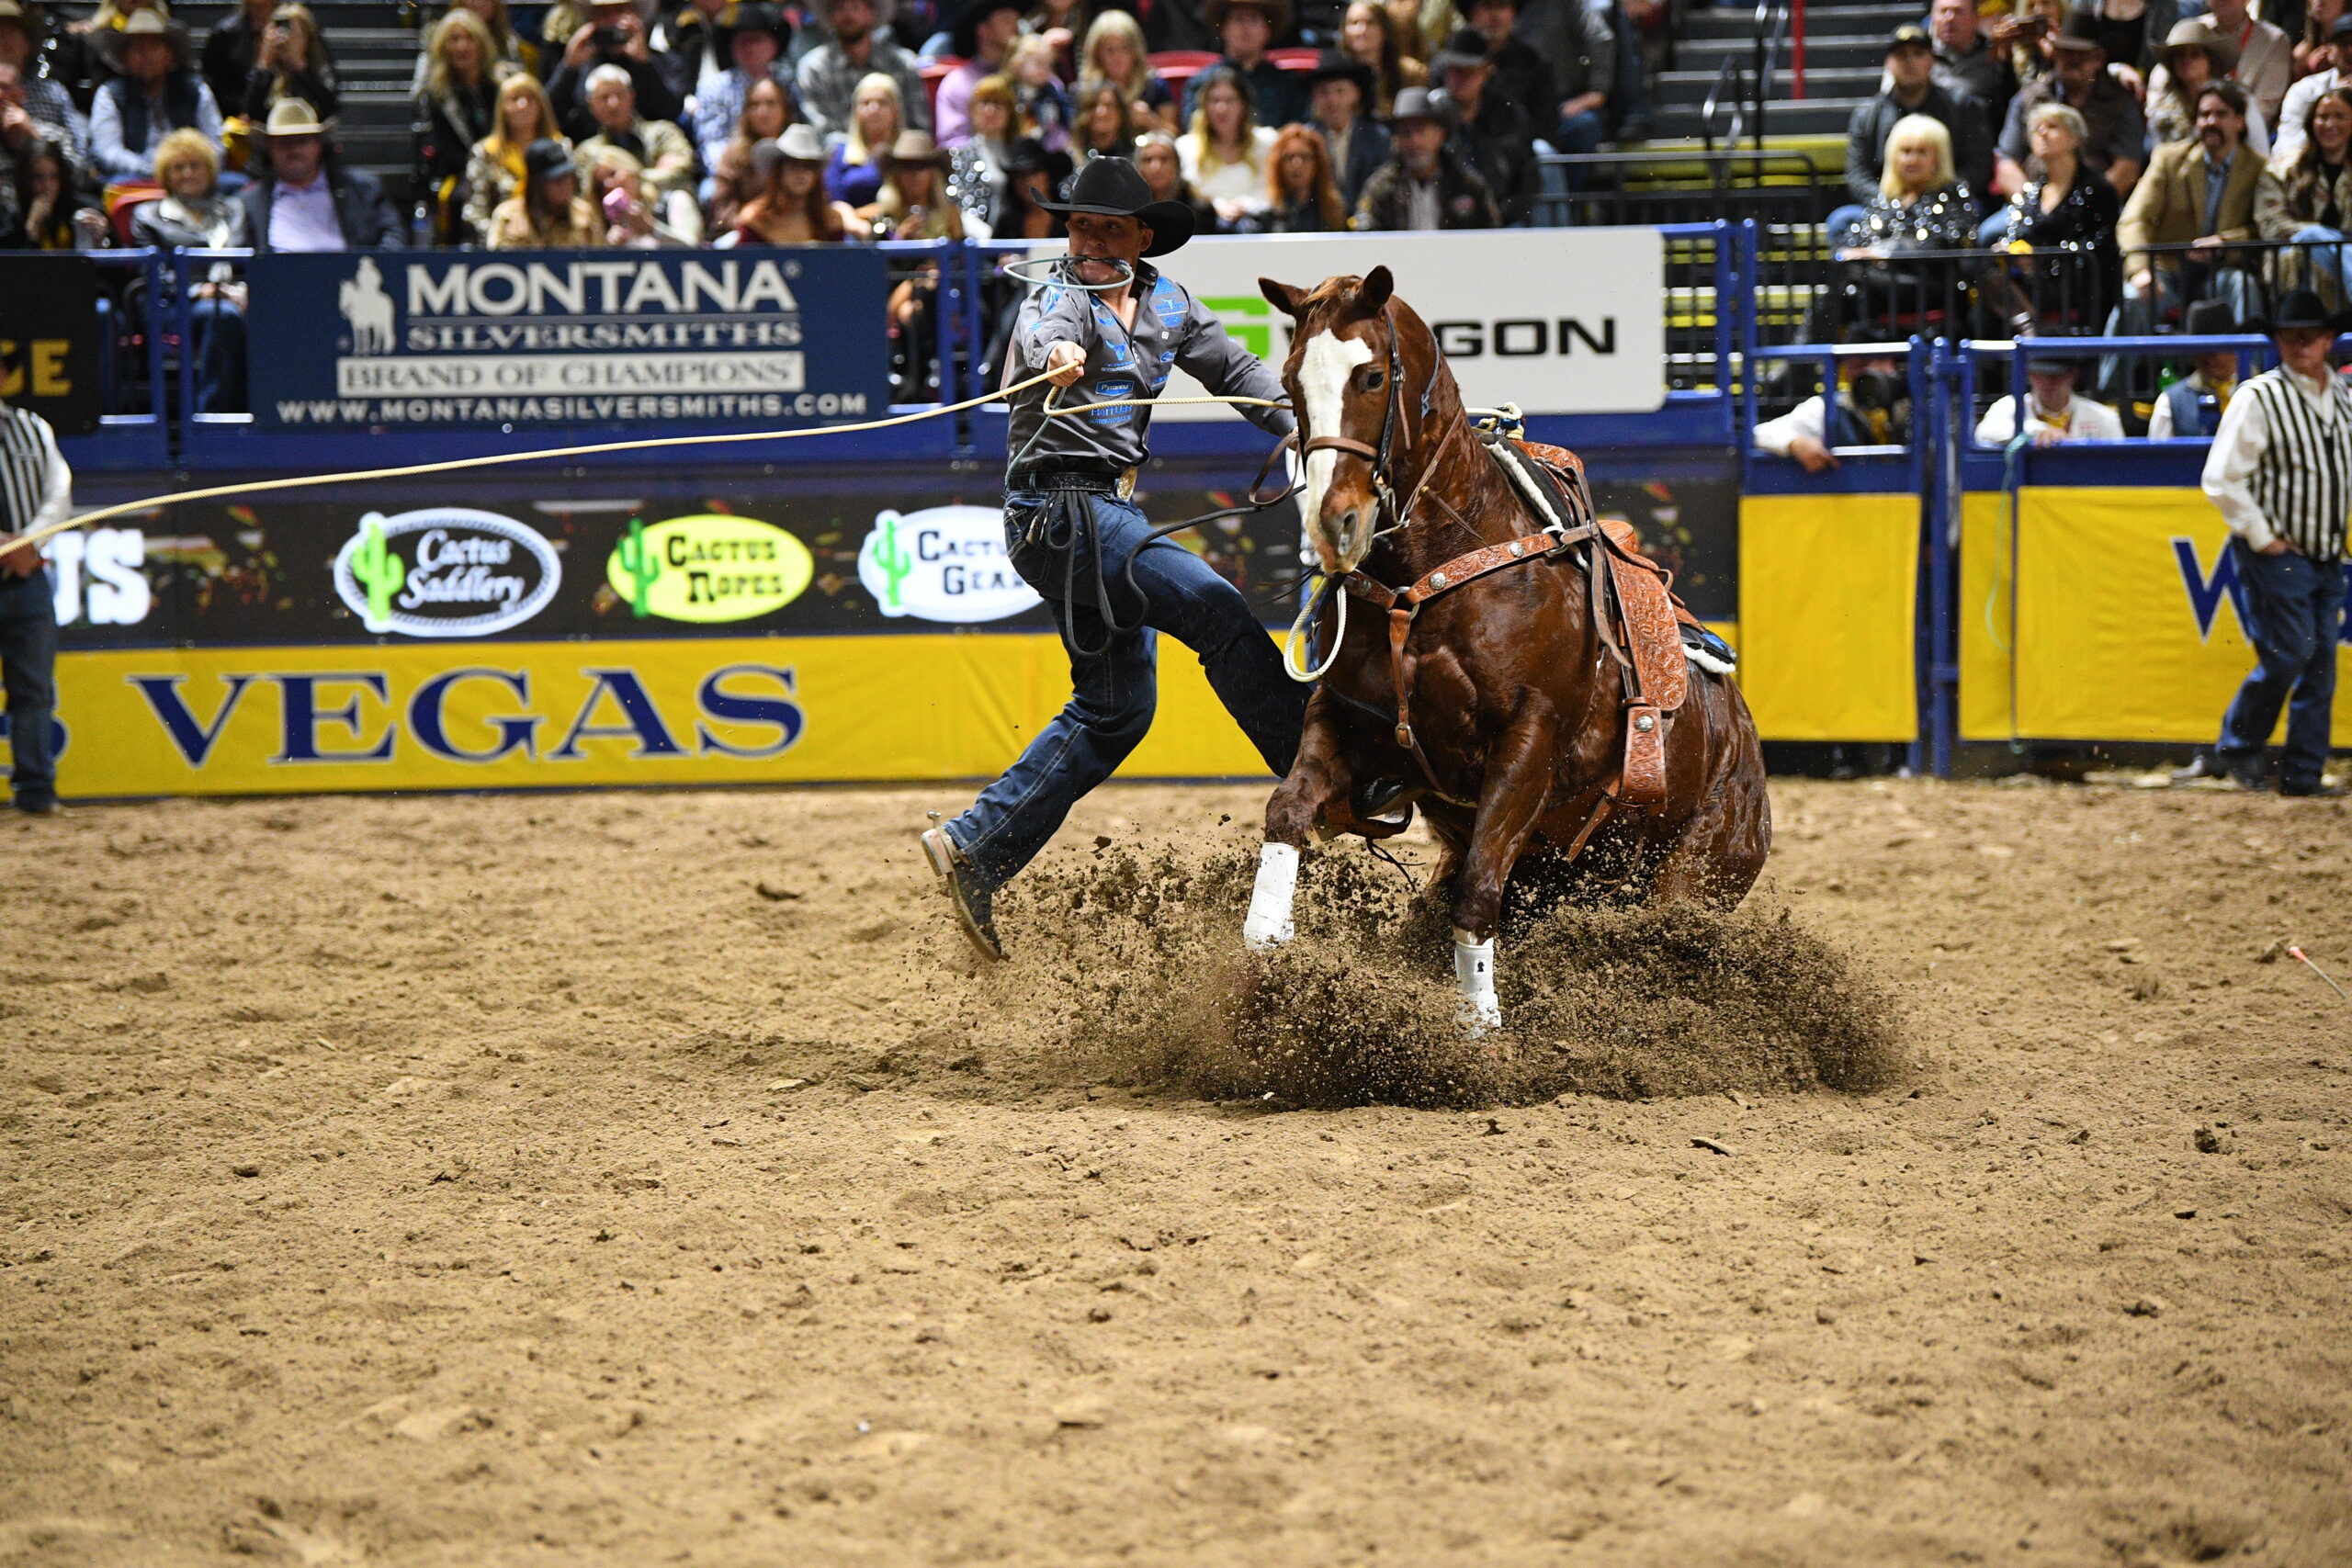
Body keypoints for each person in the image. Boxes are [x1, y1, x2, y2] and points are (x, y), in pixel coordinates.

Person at [918, 154, 1303, 961]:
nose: (1091, 239)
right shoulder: (1055, 297)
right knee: (1216, 608)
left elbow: (1235, 371)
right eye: (1081, 224)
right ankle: (1312, 769)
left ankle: (976, 846)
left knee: (1117, 706)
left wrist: (1300, 427)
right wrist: (1060, 360)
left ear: (1143, 236)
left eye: (1110, 228)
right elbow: (1048, 334)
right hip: (1059, 511)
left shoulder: (1171, 303)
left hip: (1093, 517)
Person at [2172, 288, 2350, 795]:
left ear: (2327, 340)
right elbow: (2220, 478)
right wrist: (2264, 536)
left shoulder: (2341, 396)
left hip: (2325, 552)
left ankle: (2301, 773)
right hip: (2279, 554)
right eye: (2289, 337)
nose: (2298, 345)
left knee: (2317, 666)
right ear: (2276, 341)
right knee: (2293, 654)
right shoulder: (2259, 396)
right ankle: (2238, 747)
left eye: (2308, 336)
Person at [2117, 81, 2263, 333]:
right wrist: (2140, 270)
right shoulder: (2169, 159)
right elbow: (2134, 220)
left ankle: (2254, 371)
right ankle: (2110, 375)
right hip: (2169, 270)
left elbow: (2262, 228)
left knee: (2244, 287)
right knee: (2132, 298)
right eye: (2204, 114)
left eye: (2221, 114)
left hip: (2222, 271)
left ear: (2240, 121)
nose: (2210, 122)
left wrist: (2224, 242)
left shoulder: (2258, 167)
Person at [131, 128, 248, 412]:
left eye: (195, 165)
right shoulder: (149, 216)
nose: (187, 173)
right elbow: (151, 277)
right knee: (222, 315)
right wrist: (200, 292)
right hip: (174, 303)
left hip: (233, 296)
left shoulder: (233, 210)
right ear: (165, 175)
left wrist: (243, 291)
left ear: (210, 170)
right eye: (178, 167)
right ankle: (211, 414)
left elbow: (248, 262)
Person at [1836, 25, 1991, 239]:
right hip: (1886, 204)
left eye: (1918, 54)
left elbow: (1979, 166)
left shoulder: (1962, 107)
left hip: (1949, 204)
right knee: (1841, 221)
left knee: (1977, 218)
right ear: (1888, 63)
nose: (1909, 62)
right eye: (1901, 55)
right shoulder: (1867, 115)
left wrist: (1935, 198)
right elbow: (1857, 174)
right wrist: (1890, 201)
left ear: (1932, 61)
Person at [1980, 100, 2120, 333]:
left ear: (2075, 139)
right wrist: (2013, 251)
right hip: (2033, 281)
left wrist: (2044, 259)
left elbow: (2099, 245)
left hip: (2075, 281)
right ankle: (2032, 328)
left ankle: (2033, 329)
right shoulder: (2033, 192)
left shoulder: (2097, 189)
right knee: (1986, 271)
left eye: (2052, 126)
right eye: (2037, 128)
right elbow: (2020, 234)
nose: (2042, 132)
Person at [1996, 10, 2144, 200]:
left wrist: (2090, 205)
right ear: (2054, 54)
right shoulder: (2028, 97)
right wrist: (2031, 205)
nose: (2073, 60)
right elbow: (2007, 163)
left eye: (2082, 54)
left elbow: (2127, 168)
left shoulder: (2120, 100)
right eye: (2066, 52)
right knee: (1990, 231)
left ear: (2098, 59)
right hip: (2035, 199)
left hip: (2096, 204)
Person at [0, 394, 65, 817]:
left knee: (34, 689)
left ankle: (36, 792)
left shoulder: (34, 428)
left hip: (27, 577)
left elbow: (58, 495)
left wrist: (26, 543)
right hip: (24, 568)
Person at [237, 96, 403, 250]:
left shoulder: (363, 190)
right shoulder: (250, 203)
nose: (294, 149)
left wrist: (373, 270)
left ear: (319, 145)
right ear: (269, 148)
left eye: (302, 141)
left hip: (350, 278)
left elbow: (394, 236)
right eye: (284, 142)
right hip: (275, 280)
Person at [89, 10, 220, 182]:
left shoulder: (195, 89)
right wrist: (154, 170)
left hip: (193, 175)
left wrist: (191, 168)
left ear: (169, 55)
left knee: (236, 185)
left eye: (154, 47)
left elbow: (215, 144)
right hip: (137, 177)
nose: (146, 56)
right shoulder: (110, 94)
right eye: (138, 49)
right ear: (125, 58)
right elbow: (108, 151)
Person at [413, 7, 503, 236]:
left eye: (469, 38)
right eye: (454, 39)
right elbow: (441, 147)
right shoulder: (437, 95)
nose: (462, 46)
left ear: (481, 44)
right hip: (458, 173)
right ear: (444, 46)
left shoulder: (500, 86)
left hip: (503, 164)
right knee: (459, 196)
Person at [1355, 83, 1495, 227]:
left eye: (1421, 130)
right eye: (1405, 132)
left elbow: (1492, 233)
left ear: (1440, 135)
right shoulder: (1382, 187)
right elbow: (1365, 231)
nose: (1414, 140)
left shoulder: (1467, 185)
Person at [2258, 85, 2352, 300]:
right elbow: (2271, 223)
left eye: (2340, 116)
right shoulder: (2283, 169)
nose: (2330, 124)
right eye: (2322, 117)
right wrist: (2318, 235)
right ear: (2311, 122)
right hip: (2293, 256)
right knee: (2313, 238)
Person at [1429, 26, 1529, 222]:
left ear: (1487, 71)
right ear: (1446, 71)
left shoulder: (1509, 116)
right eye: (1456, 71)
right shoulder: (1433, 114)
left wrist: (1503, 216)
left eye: (1470, 71)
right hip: (1444, 218)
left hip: (1502, 215)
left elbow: (1524, 178)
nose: (1462, 79)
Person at [548, 0, 684, 142]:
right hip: (591, 154)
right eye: (603, 14)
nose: (612, 20)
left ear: (638, 16)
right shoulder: (579, 63)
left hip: (650, 151)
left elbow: (672, 111)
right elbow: (549, 116)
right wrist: (569, 67)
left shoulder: (665, 60)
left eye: (620, 11)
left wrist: (644, 64)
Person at [1751, 353, 1908, 472]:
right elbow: (1760, 433)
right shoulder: (1828, 407)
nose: (1868, 372)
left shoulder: (1911, 404)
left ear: (1891, 364)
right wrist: (1795, 443)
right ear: (1846, 369)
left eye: (1878, 362)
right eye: (1859, 365)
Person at [797, 0, 929, 140]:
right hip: (839, 157)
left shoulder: (904, 64)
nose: (848, 15)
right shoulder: (814, 68)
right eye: (839, 8)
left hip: (898, 157)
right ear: (830, 16)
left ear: (871, 13)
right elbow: (822, 131)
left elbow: (919, 128)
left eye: (855, 7)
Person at [689, 3, 795, 172]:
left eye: (756, 40)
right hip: (732, 168)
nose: (749, 47)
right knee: (709, 193)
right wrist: (728, 171)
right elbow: (711, 141)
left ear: (774, 46)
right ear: (732, 48)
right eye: (742, 41)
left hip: (784, 168)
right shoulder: (713, 87)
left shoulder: (789, 83)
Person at [571, 62, 695, 200]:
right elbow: (587, 197)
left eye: (619, 94)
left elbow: (682, 173)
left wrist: (631, 178)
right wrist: (654, 174)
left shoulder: (663, 133)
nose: (613, 104)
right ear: (591, 104)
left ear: (631, 96)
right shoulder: (586, 153)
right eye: (604, 97)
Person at [461, 69, 559, 241]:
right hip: (503, 244)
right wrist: (501, 236)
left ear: (542, 106)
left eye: (530, 99)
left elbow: (573, 205)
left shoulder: (558, 149)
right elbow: (475, 212)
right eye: (514, 99)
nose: (523, 105)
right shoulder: (486, 153)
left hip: (555, 243)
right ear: (502, 108)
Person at [2146, 19, 2268, 156]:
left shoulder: (2239, 98)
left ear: (2210, 60)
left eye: (2195, 54)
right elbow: (2158, 157)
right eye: (2180, 55)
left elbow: (2259, 151)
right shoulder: (2163, 107)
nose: (2187, 60)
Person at [1179, 65, 1274, 230]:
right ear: (1204, 106)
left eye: (1230, 100)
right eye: (1214, 101)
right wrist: (1215, 207)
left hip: (1259, 229)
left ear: (1244, 105)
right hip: (1204, 229)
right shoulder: (1185, 147)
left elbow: (1273, 191)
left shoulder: (1267, 141)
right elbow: (1189, 197)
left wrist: (1246, 206)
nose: (1221, 109)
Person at [1185, 0, 1308, 128]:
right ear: (1222, 28)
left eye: (1254, 19)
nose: (1246, 27)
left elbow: (1297, 132)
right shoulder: (1202, 82)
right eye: (1239, 19)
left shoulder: (1287, 83)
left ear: (1268, 30)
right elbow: (1193, 131)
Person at [735, 123, 855, 241]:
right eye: (793, 164)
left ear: (816, 175)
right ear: (779, 171)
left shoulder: (830, 220)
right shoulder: (755, 219)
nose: (800, 173)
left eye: (808, 166)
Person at [706, 71, 790, 231]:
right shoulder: (734, 154)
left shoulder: (797, 151)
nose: (762, 112)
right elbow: (724, 208)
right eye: (754, 105)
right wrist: (753, 227)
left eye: (771, 103)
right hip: (745, 234)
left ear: (784, 109)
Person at [2147, 298, 2243, 437]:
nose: (2211, 357)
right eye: (2201, 348)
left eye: (2219, 347)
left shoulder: (2259, 391)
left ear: (2235, 347)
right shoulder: (2171, 402)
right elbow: (2158, 457)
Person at [1975, 355, 2126, 443]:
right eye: (2040, 374)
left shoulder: (2104, 417)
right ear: (2029, 375)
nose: (2049, 382)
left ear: (2072, 375)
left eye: (2057, 375)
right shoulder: (2008, 406)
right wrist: (2037, 430)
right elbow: (1984, 432)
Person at [484, 132, 603, 244]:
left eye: (568, 177)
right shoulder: (507, 217)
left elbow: (600, 259)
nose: (565, 185)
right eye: (556, 180)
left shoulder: (585, 215)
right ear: (537, 184)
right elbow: (497, 261)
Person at [1304, 49, 1385, 208]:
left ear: (1356, 94)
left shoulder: (1377, 137)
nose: (1332, 99)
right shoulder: (1306, 139)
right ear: (1314, 97)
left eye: (1340, 91)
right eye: (1323, 92)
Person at [935, 0, 1022, 145]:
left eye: (1017, 21)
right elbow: (952, 143)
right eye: (1006, 20)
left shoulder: (1025, 77)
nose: (1015, 28)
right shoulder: (958, 83)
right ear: (983, 29)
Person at [2198, 0, 2290, 131]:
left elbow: (2263, 111)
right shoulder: (2192, 30)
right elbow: (2160, 87)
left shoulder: (2274, 40)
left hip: (2244, 135)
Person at [1077, 10, 1174, 134]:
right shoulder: (1085, 90)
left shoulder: (1154, 86)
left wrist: (1150, 121)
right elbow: (1073, 139)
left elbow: (1173, 138)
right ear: (1097, 53)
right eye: (1110, 50)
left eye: (1124, 48)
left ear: (1135, 51)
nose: (1117, 57)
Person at [1536, 0, 1612, 158]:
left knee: (1584, 126)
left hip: (1559, 102)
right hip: (1513, 105)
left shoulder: (1569, 4)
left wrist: (1596, 90)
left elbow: (1600, 38)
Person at [1459, 0, 1548, 131]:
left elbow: (1545, 121)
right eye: (1487, 6)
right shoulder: (1451, 61)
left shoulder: (1533, 62)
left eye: (1502, 6)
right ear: (1471, 12)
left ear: (1514, 12)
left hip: (1518, 143)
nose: (1495, 15)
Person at [2276, 14, 2352, 162]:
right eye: (2344, 43)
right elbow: (2287, 147)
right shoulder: (2306, 90)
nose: (2351, 51)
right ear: (2330, 50)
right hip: (2313, 173)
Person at [241, 1, 334, 122]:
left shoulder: (320, 68)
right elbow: (252, 112)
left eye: (292, 34)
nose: (285, 39)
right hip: (273, 138)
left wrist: (301, 68)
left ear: (307, 37)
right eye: (279, 32)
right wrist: (264, 65)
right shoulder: (266, 74)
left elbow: (329, 107)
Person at [1928, 0, 2018, 125]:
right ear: (1932, 17)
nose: (1949, 18)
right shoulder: (1920, 55)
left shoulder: (1993, 58)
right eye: (1943, 11)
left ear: (1977, 20)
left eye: (1958, 11)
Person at [947, 71, 1015, 233]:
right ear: (971, 110)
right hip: (979, 243)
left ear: (1010, 112)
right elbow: (958, 206)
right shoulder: (959, 156)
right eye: (984, 103)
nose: (990, 110)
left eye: (998, 103)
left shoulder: (1022, 152)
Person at [825, 69, 901, 205]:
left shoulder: (911, 152)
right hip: (851, 225)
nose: (874, 109)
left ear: (895, 110)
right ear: (856, 112)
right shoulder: (840, 154)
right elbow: (834, 205)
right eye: (866, 103)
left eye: (882, 102)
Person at [1339, 0, 1421, 117]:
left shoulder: (1410, 73)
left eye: (1370, 22)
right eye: (1354, 23)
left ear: (1384, 29)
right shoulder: (1337, 75)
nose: (1361, 30)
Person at [1265, 118, 1344, 228]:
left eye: (1305, 156)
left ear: (1318, 163)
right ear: (1278, 164)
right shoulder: (1267, 214)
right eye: (1289, 157)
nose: (1297, 164)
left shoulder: (1334, 211)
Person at [1133, 127, 1213, 232]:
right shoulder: (1128, 211)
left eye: (1164, 159)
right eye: (1148, 160)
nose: (1156, 167)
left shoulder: (1200, 210)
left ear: (1177, 165)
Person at [1006, 32, 1071, 151]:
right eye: (1039, 64)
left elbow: (1067, 117)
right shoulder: (1008, 91)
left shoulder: (1052, 91)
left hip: (1048, 146)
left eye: (1049, 65)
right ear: (1018, 64)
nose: (1045, 70)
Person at [1073, 79, 1134, 160]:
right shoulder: (1073, 157)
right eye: (1094, 106)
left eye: (1109, 105)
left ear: (1121, 113)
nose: (1100, 113)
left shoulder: (1135, 157)